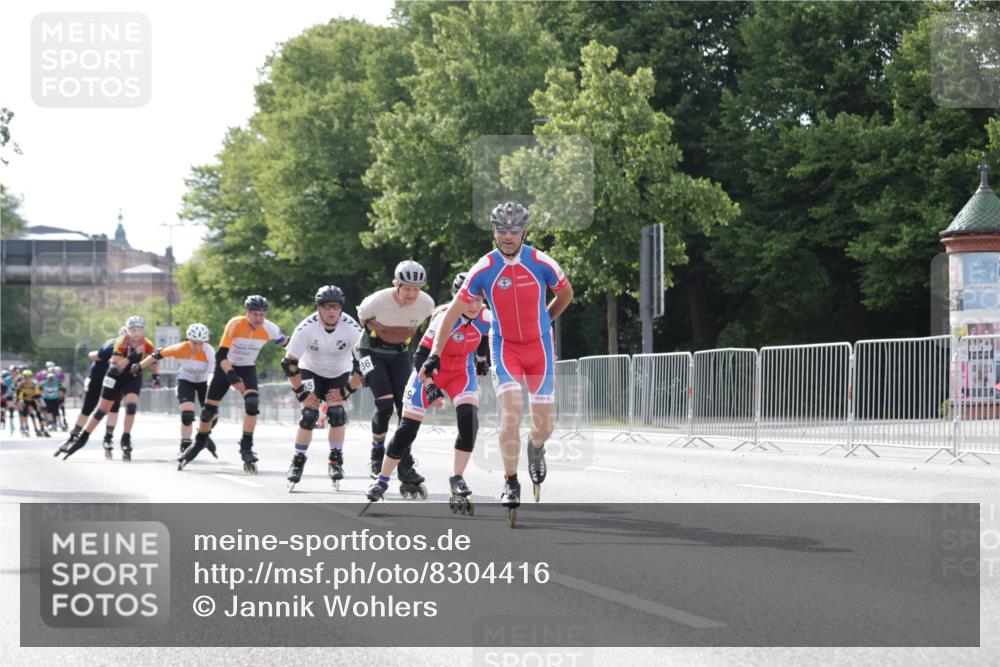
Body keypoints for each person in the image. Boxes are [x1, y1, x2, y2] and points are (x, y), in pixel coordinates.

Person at [423, 202, 573, 527]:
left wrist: (546, 319)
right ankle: (510, 480)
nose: (508, 236)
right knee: (512, 412)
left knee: (544, 425)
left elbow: (566, 295)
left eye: (514, 230)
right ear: (493, 231)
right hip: (505, 347)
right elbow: (451, 312)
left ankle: (536, 447)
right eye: (501, 230)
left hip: (540, 349)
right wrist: (435, 351)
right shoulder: (484, 267)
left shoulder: (540, 262)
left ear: (525, 232)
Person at [363, 272, 491, 510]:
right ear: (457, 298)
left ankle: (457, 477)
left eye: (479, 299)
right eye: (469, 299)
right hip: (430, 371)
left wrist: (482, 359)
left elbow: (483, 335)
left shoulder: (485, 315)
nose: (474, 305)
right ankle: (382, 480)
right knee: (407, 430)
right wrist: (431, 386)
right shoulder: (444, 319)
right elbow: (420, 355)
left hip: (461, 374)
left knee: (469, 420)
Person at [178, 295, 288, 473]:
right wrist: (232, 378)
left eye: (262, 315)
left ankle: (246, 447)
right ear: (247, 313)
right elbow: (220, 356)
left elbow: (288, 344)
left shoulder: (270, 329)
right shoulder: (235, 324)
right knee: (208, 412)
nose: (259, 319)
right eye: (255, 315)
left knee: (252, 404)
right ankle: (199, 443)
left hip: (247, 368)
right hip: (226, 367)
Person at [356, 261, 436, 486]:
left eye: (416, 289)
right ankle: (377, 455)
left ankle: (404, 462)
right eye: (407, 288)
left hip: (399, 353)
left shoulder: (427, 303)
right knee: (384, 406)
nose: (411, 294)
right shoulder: (377, 300)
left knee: (406, 409)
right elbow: (362, 319)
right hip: (369, 351)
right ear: (396, 285)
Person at [281, 285, 364, 491]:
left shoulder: (352, 328)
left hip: (339, 372)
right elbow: (289, 363)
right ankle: (298, 460)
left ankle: (336, 459)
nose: (331, 312)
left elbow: (365, 364)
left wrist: (346, 391)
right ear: (318, 308)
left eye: (335, 307)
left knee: (337, 413)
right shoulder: (306, 327)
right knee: (308, 415)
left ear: (341, 308)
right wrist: (301, 392)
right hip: (311, 370)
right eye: (326, 307)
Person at [58, 316, 161, 461]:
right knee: (101, 411)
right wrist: (131, 356)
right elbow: (115, 368)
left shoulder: (147, 343)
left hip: (133, 377)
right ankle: (83, 437)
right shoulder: (120, 342)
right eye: (133, 330)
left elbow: (154, 359)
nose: (136, 333)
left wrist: (156, 377)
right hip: (115, 377)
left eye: (139, 330)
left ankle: (125, 438)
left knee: (131, 407)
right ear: (128, 330)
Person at [133, 322, 216, 455]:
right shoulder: (180, 348)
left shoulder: (209, 351)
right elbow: (157, 354)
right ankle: (185, 445)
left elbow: (213, 374)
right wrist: (139, 366)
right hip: (186, 380)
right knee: (187, 415)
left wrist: (210, 395)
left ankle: (203, 435)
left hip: (204, 383)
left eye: (201, 343)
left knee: (212, 415)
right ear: (188, 340)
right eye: (194, 343)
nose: (198, 347)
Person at [62, 327, 125, 454]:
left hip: (114, 381)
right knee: (88, 407)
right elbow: (95, 356)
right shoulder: (112, 344)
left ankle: (108, 438)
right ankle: (74, 435)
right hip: (98, 378)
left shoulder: (135, 349)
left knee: (114, 409)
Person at [16, 369, 47, 437]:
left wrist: (34, 396)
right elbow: (18, 393)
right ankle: (25, 427)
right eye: (25, 377)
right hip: (25, 400)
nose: (26, 378)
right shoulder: (21, 384)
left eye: (28, 377)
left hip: (34, 399)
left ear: (31, 377)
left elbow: (38, 393)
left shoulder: (34, 383)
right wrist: (18, 400)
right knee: (24, 413)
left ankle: (43, 428)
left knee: (38, 413)